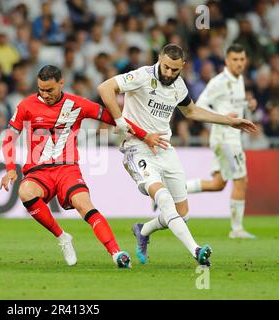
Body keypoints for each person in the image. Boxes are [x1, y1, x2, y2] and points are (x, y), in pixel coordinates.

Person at [97, 44, 256, 267]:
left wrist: (230, 121)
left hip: (164, 149)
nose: (169, 73)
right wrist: (121, 121)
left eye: (175, 70)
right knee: (162, 198)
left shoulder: (179, 86)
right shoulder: (142, 75)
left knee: (182, 214)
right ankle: (197, 251)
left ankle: (143, 229)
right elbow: (105, 88)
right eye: (166, 67)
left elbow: (192, 111)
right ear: (159, 59)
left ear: (182, 66)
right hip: (136, 148)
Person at [0, 65, 166, 268]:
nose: (45, 95)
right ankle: (62, 237)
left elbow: (115, 119)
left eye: (49, 90)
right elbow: (9, 137)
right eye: (41, 90)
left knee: (84, 205)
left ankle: (116, 253)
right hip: (38, 171)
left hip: (67, 169)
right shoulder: (26, 105)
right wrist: (10, 167)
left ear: (61, 83)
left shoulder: (77, 104)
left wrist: (145, 135)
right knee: (25, 191)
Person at [186, 44, 258, 239]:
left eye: (242, 59)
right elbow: (199, 105)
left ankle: (174, 190)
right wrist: (224, 116)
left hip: (229, 138)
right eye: (235, 59)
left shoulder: (239, 80)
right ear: (226, 61)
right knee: (241, 180)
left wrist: (248, 105)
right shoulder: (219, 81)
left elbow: (233, 105)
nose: (239, 63)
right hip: (226, 138)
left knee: (218, 184)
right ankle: (237, 230)